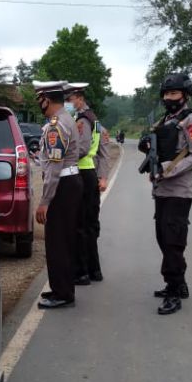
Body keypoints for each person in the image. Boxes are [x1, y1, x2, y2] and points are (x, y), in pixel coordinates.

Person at [138, 72, 192, 315]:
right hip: (162, 189)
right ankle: (177, 283)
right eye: (166, 94)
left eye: (174, 93)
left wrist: (169, 169)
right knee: (162, 237)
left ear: (185, 95)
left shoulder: (191, 121)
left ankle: (175, 292)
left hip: (179, 190)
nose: (169, 97)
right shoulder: (166, 119)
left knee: (173, 240)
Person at [35, 81, 82, 309]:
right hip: (68, 182)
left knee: (58, 242)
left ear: (46, 99)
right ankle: (61, 288)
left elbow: (54, 167)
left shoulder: (56, 125)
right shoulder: (65, 119)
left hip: (62, 185)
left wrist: (45, 201)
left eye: (39, 99)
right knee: (62, 240)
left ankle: (63, 293)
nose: (38, 103)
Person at [66, 82, 107, 285]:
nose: (68, 103)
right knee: (90, 224)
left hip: (81, 172)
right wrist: (102, 175)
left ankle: (81, 272)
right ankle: (94, 270)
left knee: (80, 225)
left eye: (70, 99)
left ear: (80, 98)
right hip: (90, 172)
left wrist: (62, 156)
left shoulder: (82, 119)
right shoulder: (96, 120)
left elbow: (81, 149)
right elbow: (101, 149)